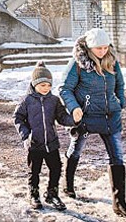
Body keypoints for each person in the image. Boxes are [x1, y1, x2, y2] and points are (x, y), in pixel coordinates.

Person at [58, 28, 126, 220]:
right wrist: (74, 108)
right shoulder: (77, 64)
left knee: (117, 157)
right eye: (98, 48)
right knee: (76, 149)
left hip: (111, 116)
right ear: (89, 47)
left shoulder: (112, 61)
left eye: (105, 47)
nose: (102, 51)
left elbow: (120, 84)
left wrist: (120, 102)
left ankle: (120, 203)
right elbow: (64, 89)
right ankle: (68, 183)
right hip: (86, 117)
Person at [14, 61, 75, 210]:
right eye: (43, 85)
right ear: (34, 84)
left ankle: (52, 194)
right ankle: (34, 194)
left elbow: (62, 117)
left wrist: (74, 119)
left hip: (51, 143)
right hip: (34, 143)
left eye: (49, 85)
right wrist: (26, 136)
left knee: (56, 168)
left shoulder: (54, 101)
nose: (46, 88)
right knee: (34, 170)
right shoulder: (26, 101)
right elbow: (18, 118)